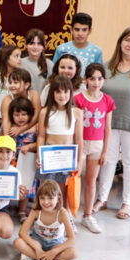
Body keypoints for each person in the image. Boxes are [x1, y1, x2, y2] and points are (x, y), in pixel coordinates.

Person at [96, 27, 130, 220]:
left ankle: (127, 203)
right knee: (107, 161)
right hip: (108, 123)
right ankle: (101, 199)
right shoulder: (107, 66)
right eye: (127, 40)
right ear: (120, 42)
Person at [74, 63, 114, 233]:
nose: (96, 82)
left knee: (91, 181)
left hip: (97, 146)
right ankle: (69, 214)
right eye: (92, 78)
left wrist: (105, 151)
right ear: (85, 80)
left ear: (104, 80)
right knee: (74, 178)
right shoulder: (78, 99)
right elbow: (75, 126)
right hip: (80, 144)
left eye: (99, 78)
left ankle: (88, 215)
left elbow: (107, 128)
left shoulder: (107, 100)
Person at [37, 75, 83, 220]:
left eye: (65, 92)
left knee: (64, 189)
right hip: (49, 155)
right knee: (47, 189)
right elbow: (41, 136)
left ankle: (65, 217)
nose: (62, 96)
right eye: (58, 92)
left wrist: (79, 162)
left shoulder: (77, 112)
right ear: (52, 93)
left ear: (71, 93)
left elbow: (79, 139)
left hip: (68, 156)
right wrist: (39, 156)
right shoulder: (45, 112)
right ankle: (45, 218)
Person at [13, 179, 76, 260]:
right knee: (17, 242)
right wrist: (37, 249)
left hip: (56, 244)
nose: (46, 202)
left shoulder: (62, 213)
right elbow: (22, 232)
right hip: (37, 241)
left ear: (58, 198)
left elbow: (72, 239)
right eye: (42, 198)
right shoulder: (36, 211)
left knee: (73, 253)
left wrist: (53, 252)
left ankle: (32, 256)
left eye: (50, 198)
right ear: (38, 198)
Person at [7, 97, 38, 222]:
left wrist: (30, 146)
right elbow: (0, 141)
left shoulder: (34, 129)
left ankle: (22, 211)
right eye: (17, 114)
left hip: (27, 162)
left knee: (26, 187)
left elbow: (39, 144)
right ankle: (5, 208)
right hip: (10, 161)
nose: (21, 117)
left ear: (30, 114)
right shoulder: (9, 128)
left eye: (24, 114)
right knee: (9, 185)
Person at [0, 68, 41, 137]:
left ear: (26, 85)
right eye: (10, 83)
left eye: (15, 82)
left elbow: (36, 116)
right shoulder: (7, 100)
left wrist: (21, 129)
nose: (12, 85)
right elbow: (6, 121)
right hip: (13, 128)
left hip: (31, 125)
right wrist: (7, 140)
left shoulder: (33, 95)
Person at [0, 44, 23, 119]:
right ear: (6, 58)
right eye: (16, 56)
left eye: (20, 56)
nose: (20, 59)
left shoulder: (22, 77)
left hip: (16, 117)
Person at [21, 28, 53, 94]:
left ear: (43, 46)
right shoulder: (20, 63)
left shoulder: (49, 64)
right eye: (32, 43)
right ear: (26, 45)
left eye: (39, 44)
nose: (35, 47)